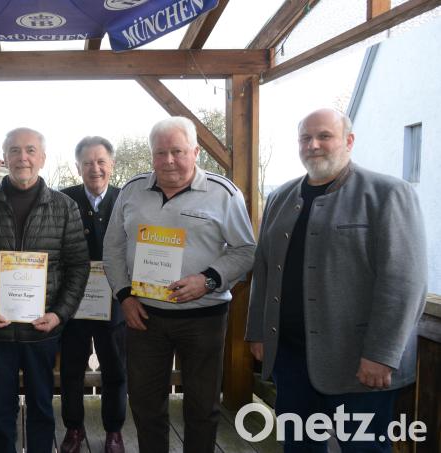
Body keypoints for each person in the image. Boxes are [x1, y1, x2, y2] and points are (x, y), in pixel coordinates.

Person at [245, 108, 427, 452]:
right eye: (305, 138)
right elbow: (264, 269)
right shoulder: (280, 198)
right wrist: (258, 332)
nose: (313, 145)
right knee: (297, 447)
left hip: (360, 364)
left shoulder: (388, 193)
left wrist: (381, 354)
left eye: (324, 136)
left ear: (349, 141)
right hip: (291, 359)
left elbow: (403, 282)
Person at [103, 117, 255, 453]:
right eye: (160, 153)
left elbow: (246, 251)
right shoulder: (132, 191)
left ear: (196, 152)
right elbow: (112, 248)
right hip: (143, 317)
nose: (169, 160)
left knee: (202, 407)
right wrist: (125, 296)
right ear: (151, 154)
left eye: (178, 151)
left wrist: (208, 280)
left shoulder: (223, 193)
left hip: (203, 317)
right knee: (145, 403)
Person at [0, 127, 90, 453]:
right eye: (15, 150)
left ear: (42, 157)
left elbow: (77, 267)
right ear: (5, 158)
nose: (22, 157)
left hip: (42, 331)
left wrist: (60, 314)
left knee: (42, 407)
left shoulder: (64, 207)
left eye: (30, 150)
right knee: (1, 409)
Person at [58, 136, 126, 453]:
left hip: (114, 302)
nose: (94, 168)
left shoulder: (127, 199)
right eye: (87, 162)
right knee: (71, 370)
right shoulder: (63, 200)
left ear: (112, 165)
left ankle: (114, 431)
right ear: (78, 167)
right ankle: (74, 429)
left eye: (101, 161)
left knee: (115, 369)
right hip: (73, 302)